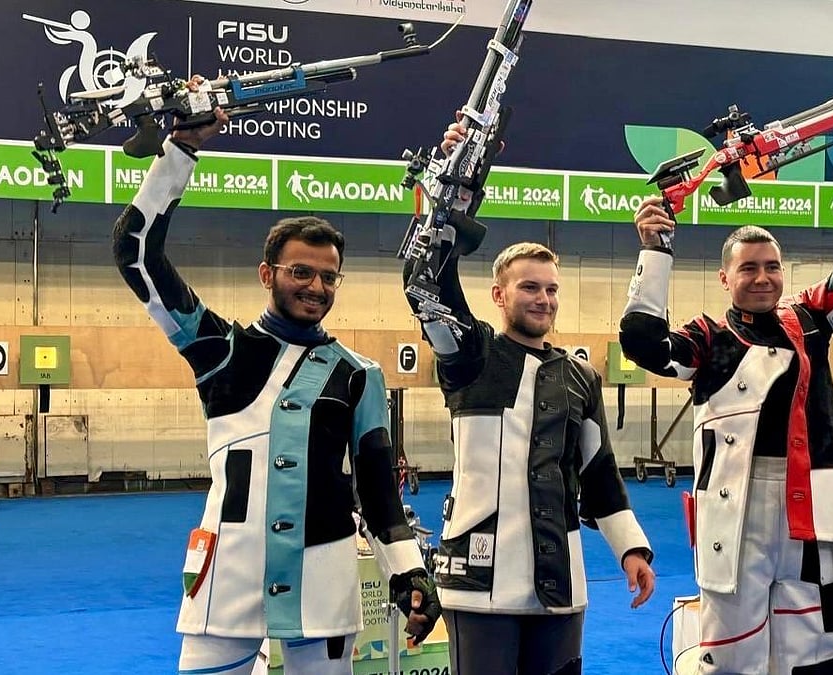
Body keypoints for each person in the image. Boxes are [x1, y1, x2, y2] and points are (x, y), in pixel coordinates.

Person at [111, 77, 440, 675]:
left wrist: (408, 573)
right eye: (300, 272)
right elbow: (136, 256)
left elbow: (377, 488)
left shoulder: (359, 375)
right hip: (226, 573)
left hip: (326, 574)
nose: (315, 286)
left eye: (328, 276)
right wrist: (181, 149)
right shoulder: (218, 349)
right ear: (268, 274)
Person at [621, 101, 833, 674]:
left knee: (817, 658)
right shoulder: (706, 338)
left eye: (772, 266)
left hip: (812, 513)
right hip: (735, 517)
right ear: (726, 277)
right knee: (731, 662)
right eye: (749, 268)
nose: (763, 277)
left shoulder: (811, 319)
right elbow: (643, 343)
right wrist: (655, 250)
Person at [398, 122, 657, 675]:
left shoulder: (582, 377)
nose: (544, 299)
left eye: (551, 288)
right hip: (477, 584)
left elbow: (600, 475)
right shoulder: (469, 356)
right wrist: (454, 185)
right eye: (529, 287)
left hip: (561, 580)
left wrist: (630, 548)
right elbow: (425, 284)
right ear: (499, 295)